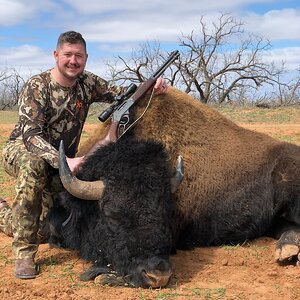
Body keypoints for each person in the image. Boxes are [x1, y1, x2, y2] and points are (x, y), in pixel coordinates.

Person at [0, 31, 167, 279]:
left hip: (64, 161)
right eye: (67, 54)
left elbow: (123, 93)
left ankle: (3, 213)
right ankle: (24, 254)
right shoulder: (38, 85)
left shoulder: (87, 83)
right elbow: (31, 135)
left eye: (78, 55)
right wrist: (62, 160)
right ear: (56, 55)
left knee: (48, 226)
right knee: (34, 167)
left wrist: (153, 87)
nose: (73, 61)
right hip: (24, 151)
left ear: (86, 57)